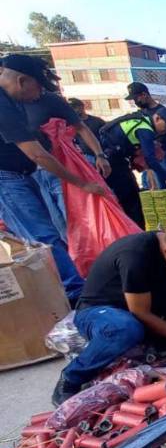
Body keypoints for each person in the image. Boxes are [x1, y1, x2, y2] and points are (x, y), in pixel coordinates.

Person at [53, 219, 166, 405]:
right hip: (101, 311)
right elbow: (140, 312)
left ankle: (164, 342)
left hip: (141, 300)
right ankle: (71, 378)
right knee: (126, 329)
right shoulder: (136, 256)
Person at [0, 54, 105, 304]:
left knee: (48, 236)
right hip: (7, 180)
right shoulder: (2, 104)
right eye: (37, 88)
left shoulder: (11, 101)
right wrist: (82, 183)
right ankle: (77, 297)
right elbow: (37, 154)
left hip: (23, 176)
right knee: (43, 239)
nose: (38, 96)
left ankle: (70, 290)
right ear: (23, 81)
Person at [25, 91, 111, 241]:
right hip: (30, 175)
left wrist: (100, 155)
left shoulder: (50, 100)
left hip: (61, 171)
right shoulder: (10, 104)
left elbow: (81, 128)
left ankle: (93, 257)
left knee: (75, 223)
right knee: (58, 228)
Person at [100, 110, 166, 226]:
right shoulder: (145, 129)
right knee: (131, 201)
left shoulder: (141, 121)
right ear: (157, 118)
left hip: (114, 160)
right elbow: (150, 159)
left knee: (130, 197)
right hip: (113, 163)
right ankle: (135, 232)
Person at [125, 82, 166, 181]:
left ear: (144, 95)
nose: (135, 101)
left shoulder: (164, 112)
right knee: (155, 186)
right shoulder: (140, 114)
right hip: (148, 154)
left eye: (136, 98)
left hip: (165, 152)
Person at [68, 98, 106, 165]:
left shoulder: (97, 121)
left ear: (81, 106)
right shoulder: (71, 124)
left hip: (101, 155)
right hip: (84, 158)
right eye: (70, 108)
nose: (72, 110)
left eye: (74, 107)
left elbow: (108, 136)